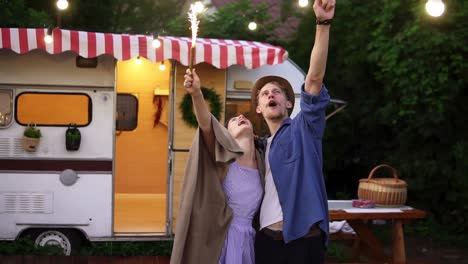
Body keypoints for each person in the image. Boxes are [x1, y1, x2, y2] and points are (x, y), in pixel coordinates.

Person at [252, 0, 335, 263]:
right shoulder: (260, 146)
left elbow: (313, 80)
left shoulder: (303, 129)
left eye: (277, 91)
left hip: (300, 244)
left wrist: (322, 24)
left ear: (290, 102)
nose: (270, 95)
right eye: (264, 94)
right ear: (259, 108)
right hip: (266, 242)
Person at [170, 68, 265, 264]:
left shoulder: (264, 160)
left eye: (244, 118)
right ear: (225, 134)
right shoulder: (224, 156)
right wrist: (196, 93)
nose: (240, 117)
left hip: (249, 239)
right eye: (233, 120)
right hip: (220, 238)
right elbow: (206, 124)